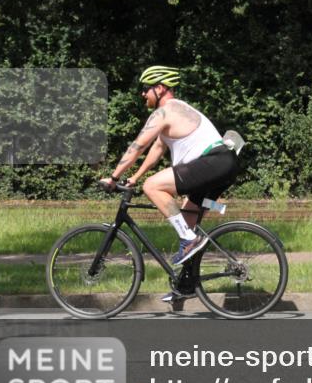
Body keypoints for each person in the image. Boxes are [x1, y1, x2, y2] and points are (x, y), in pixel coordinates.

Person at [99, 66, 238, 280]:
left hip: (214, 162)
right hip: (224, 164)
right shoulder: (177, 111)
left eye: (146, 88)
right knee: (187, 220)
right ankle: (186, 284)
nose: (142, 93)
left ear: (160, 88)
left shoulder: (164, 112)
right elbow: (156, 150)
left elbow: (137, 147)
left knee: (152, 186)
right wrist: (134, 178)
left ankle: (189, 239)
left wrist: (114, 177)